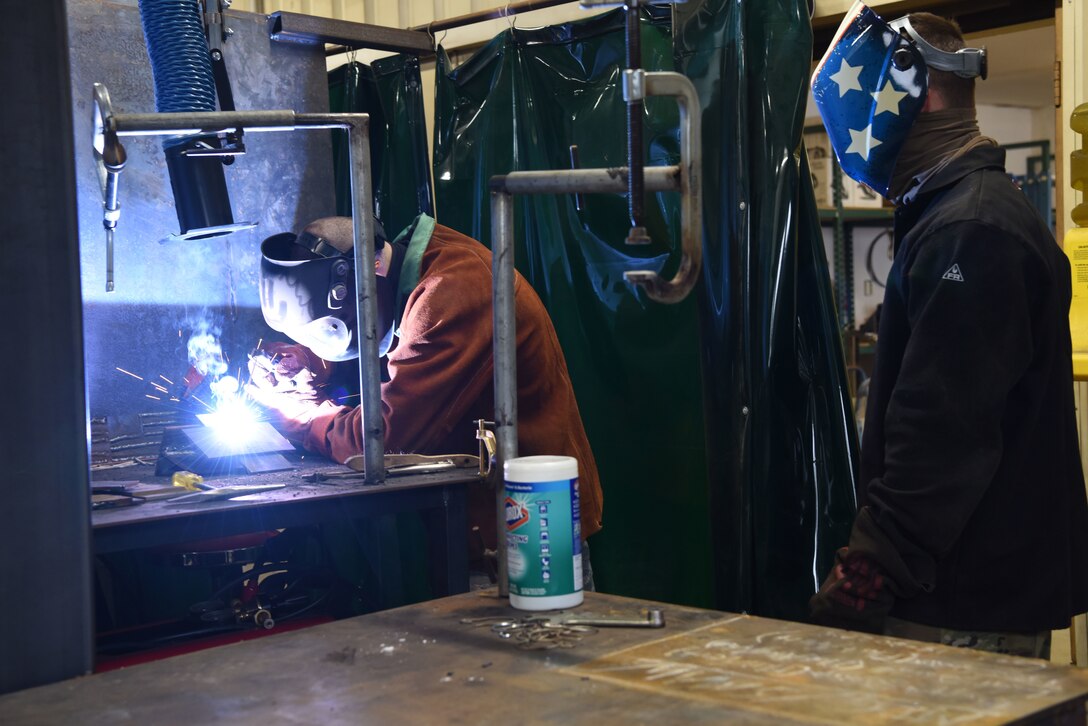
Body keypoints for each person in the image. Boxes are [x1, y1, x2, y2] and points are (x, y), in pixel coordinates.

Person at [808, 5, 1088, 659]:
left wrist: (866, 574)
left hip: (963, 605)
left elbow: (941, 435)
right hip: (960, 593)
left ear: (916, 91)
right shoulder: (957, 216)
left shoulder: (973, 230)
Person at [246, 213, 603, 585]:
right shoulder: (398, 269)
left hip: (528, 531)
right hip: (480, 523)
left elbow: (380, 442)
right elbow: (384, 333)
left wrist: (302, 416)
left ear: (365, 274)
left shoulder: (454, 292)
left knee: (541, 626)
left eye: (329, 330)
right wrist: (308, 361)